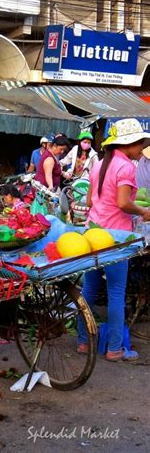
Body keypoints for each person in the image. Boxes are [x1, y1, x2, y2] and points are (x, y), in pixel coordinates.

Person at [77, 118, 150, 362]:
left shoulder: (99, 163)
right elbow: (122, 203)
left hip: (92, 232)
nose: (142, 147)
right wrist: (142, 211)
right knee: (116, 292)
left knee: (89, 288)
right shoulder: (126, 166)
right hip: (116, 238)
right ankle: (115, 349)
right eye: (140, 142)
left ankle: (83, 343)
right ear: (128, 143)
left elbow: (89, 202)